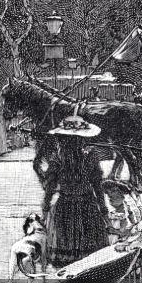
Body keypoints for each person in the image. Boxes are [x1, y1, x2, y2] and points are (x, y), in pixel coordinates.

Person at [41, 112, 109, 268]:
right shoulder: (90, 156)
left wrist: (45, 207)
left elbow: (50, 186)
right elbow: (97, 186)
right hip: (87, 205)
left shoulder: (56, 158)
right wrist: (103, 210)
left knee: (67, 254)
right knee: (91, 255)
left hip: (66, 205)